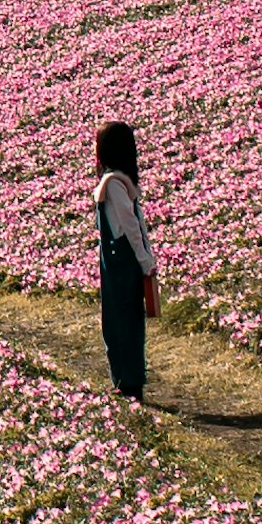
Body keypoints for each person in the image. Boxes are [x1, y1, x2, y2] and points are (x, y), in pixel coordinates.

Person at [95, 117, 156, 402]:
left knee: (123, 322)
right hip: (116, 260)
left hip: (121, 261)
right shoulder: (119, 182)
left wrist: (145, 261)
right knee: (119, 320)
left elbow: (131, 226)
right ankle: (125, 379)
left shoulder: (114, 184)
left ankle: (129, 382)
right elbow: (137, 224)